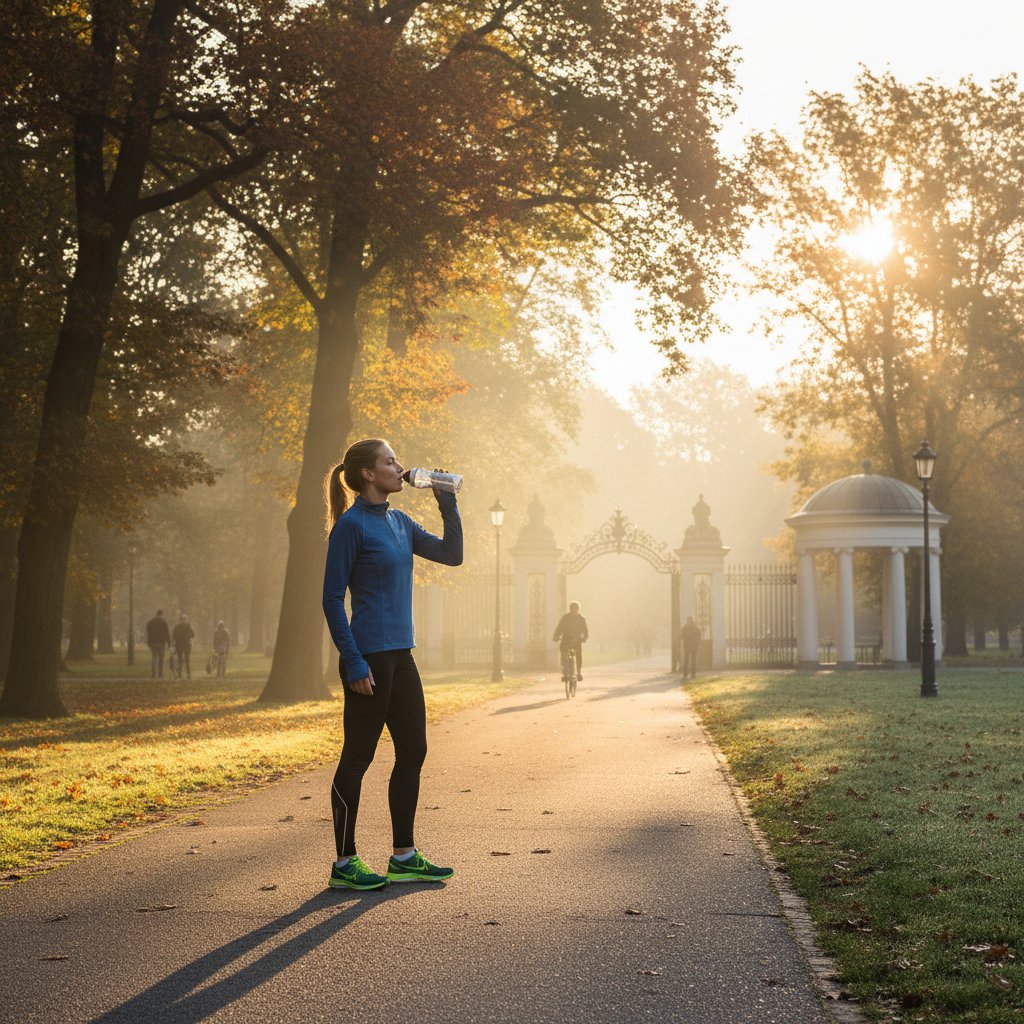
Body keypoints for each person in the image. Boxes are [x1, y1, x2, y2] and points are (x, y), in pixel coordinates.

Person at [323, 439, 463, 891]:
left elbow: (452, 555)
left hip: (402, 656)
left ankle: (403, 856)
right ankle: (345, 863)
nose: (400, 467)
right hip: (368, 659)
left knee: (413, 751)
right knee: (357, 758)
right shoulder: (351, 526)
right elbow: (331, 599)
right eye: (390, 461)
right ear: (369, 474)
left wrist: (447, 501)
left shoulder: (400, 521)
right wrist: (353, 662)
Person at [553, 601, 589, 681]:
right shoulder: (565, 618)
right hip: (566, 639)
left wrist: (585, 637)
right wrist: (556, 636)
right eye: (572, 609)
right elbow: (560, 628)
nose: (573, 611)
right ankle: (565, 671)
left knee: (578, 654)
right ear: (570, 609)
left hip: (577, 640)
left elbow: (585, 630)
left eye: (575, 609)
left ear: (578, 609)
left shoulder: (581, 619)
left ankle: (578, 672)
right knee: (563, 653)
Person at [145, 610, 171, 679]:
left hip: (153, 643)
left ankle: (153, 673)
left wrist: (148, 642)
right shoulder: (164, 622)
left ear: (156, 614)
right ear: (162, 614)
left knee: (154, 658)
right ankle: (160, 673)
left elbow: (148, 633)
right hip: (161, 643)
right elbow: (167, 633)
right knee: (161, 659)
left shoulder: (150, 622)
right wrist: (169, 643)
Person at [171, 614, 195, 680]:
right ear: (180, 620)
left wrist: (189, 637)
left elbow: (193, 635)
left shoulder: (188, 627)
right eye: (183, 619)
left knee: (186, 660)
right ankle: (180, 673)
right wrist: (174, 642)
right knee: (181, 660)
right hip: (180, 645)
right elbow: (174, 636)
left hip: (186, 645)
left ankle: (188, 674)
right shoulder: (178, 627)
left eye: (185, 619)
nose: (184, 621)